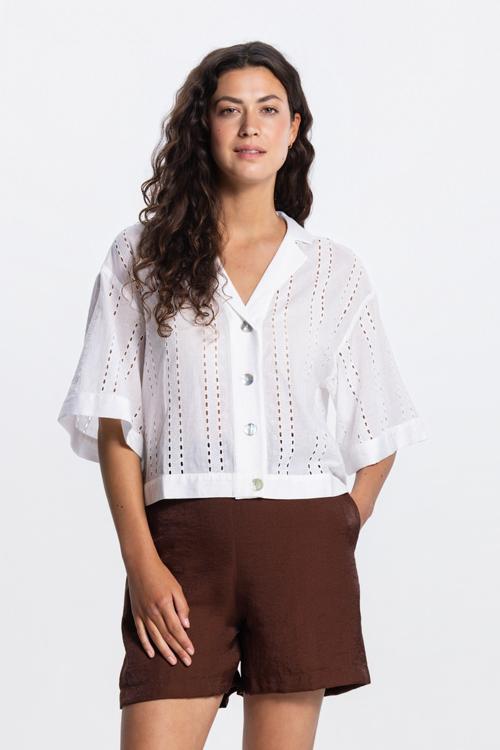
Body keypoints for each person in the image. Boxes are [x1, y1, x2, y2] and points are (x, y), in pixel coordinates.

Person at [57, 41, 428, 750]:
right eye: (230, 110)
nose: (250, 127)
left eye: (268, 110)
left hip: (304, 545)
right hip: (180, 548)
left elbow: (383, 421)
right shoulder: (141, 258)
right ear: (204, 126)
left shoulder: (336, 272)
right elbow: (115, 423)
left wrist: (343, 522)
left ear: (294, 129)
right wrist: (141, 562)